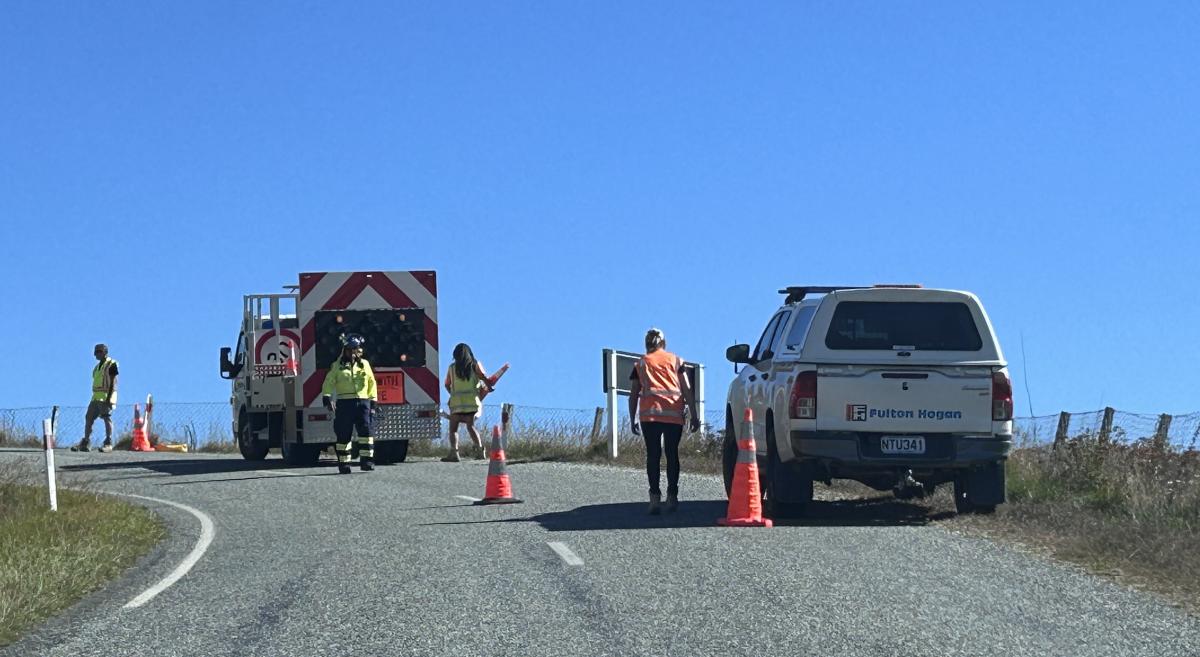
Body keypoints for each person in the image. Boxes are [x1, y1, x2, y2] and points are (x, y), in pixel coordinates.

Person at [629, 328, 700, 514]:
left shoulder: (641, 364)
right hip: (673, 415)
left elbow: (634, 394)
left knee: (653, 455)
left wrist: (632, 418)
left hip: (649, 415)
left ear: (647, 344)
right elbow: (686, 389)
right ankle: (672, 495)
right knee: (672, 454)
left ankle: (654, 498)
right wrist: (694, 414)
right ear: (664, 343)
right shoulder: (676, 361)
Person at [321, 334, 377, 474]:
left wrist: (373, 401)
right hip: (345, 404)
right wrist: (327, 397)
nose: (352, 353)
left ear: (359, 351)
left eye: (355, 350)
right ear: (344, 350)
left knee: (366, 432)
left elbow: (372, 382)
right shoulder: (337, 366)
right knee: (343, 434)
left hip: (363, 402)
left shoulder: (365, 364)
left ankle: (367, 462)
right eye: (349, 350)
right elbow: (329, 381)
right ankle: (344, 464)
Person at [442, 343, 493, 462]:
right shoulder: (475, 365)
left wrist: (452, 394)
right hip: (472, 403)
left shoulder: (452, 368)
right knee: (471, 427)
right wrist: (489, 387)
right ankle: (480, 450)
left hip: (456, 404)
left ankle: (454, 452)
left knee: (453, 429)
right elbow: (484, 378)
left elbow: (446, 384)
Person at [72, 344, 119, 453]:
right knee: (89, 418)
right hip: (96, 397)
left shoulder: (112, 364)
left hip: (106, 396)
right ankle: (86, 442)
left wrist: (109, 397)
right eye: (95, 352)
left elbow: (113, 382)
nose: (95, 354)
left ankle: (108, 442)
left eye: (98, 351)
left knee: (106, 417)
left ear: (104, 352)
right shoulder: (97, 368)